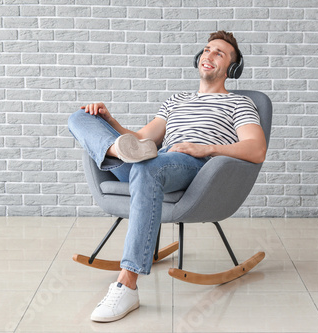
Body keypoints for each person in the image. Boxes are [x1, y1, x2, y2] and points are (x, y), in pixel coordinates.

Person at [68, 30, 267, 323]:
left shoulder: (238, 104)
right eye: (207, 49)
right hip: (151, 158)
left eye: (219, 53)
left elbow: (256, 148)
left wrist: (205, 148)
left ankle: (127, 285)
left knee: (149, 165)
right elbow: (140, 138)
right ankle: (113, 148)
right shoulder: (176, 100)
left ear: (232, 69)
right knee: (81, 117)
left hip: (190, 165)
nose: (209, 55)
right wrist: (110, 122)